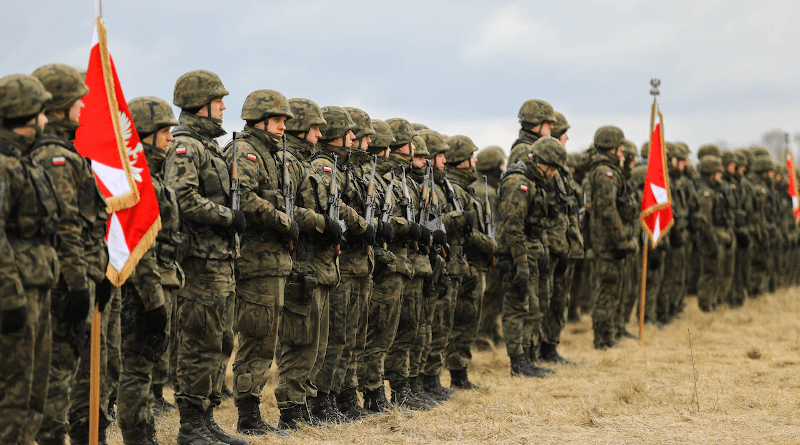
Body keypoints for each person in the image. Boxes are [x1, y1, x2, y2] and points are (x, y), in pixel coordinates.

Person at [163, 69, 248, 445]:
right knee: (200, 342)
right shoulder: (186, 146)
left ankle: (207, 418)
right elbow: (182, 198)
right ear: (201, 104)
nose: (224, 107)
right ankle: (190, 426)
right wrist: (229, 216)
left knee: (221, 341)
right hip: (199, 262)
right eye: (218, 102)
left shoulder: (208, 144)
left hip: (220, 261)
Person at [30, 64, 113, 445]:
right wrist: (80, 283)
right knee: (56, 378)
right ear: (62, 104)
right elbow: (67, 228)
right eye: (78, 98)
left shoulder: (66, 152)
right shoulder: (55, 157)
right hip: (63, 285)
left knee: (68, 375)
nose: (85, 104)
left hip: (73, 280)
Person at [223, 89, 297, 437]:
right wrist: (282, 220)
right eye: (279, 120)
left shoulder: (269, 153)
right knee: (255, 338)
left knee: (266, 339)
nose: (284, 126)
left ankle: (251, 412)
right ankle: (247, 416)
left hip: (272, 263)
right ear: (259, 119)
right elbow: (246, 199)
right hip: (254, 262)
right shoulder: (245, 151)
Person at [275, 98, 343, 429]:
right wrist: (322, 223)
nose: (318, 135)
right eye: (314, 128)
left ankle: (301, 404)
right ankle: (290, 409)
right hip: (301, 264)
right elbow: (287, 209)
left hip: (314, 267)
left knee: (314, 342)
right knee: (298, 341)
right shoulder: (289, 163)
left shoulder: (302, 163)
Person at [0, 73, 60, 445]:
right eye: (40, 113)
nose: (45, 121)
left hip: (37, 288)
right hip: (17, 293)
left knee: (35, 389)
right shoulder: (5, 166)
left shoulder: (23, 162)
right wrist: (9, 297)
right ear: (25, 115)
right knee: (13, 393)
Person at [443, 135, 497, 390]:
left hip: (473, 266)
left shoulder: (465, 189)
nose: (474, 161)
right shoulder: (454, 190)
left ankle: (461, 372)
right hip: (464, 265)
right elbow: (463, 232)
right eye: (470, 156)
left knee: (469, 323)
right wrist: (489, 245)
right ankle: (457, 375)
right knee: (462, 324)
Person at [586, 126, 638, 350]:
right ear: (613, 146)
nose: (622, 152)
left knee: (615, 289)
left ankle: (611, 334)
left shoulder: (611, 170)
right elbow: (608, 210)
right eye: (620, 147)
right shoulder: (604, 172)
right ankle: (604, 339)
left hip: (611, 242)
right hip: (608, 243)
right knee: (607, 291)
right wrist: (622, 240)